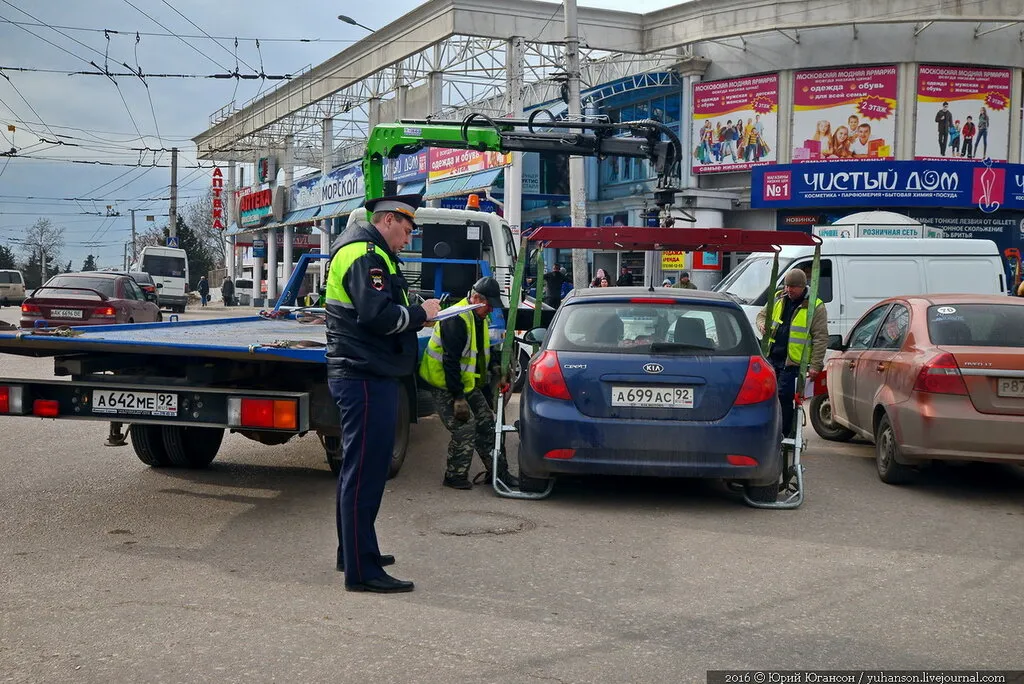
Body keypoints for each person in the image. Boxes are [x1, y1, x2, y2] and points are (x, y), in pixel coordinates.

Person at [325, 193, 441, 594]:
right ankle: (363, 570)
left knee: (358, 469)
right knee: (366, 472)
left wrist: (413, 313)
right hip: (365, 374)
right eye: (406, 230)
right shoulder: (364, 254)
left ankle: (354, 551)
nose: (407, 239)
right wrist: (420, 315)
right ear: (388, 219)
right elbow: (377, 316)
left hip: (365, 372)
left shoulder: (370, 251)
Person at [419, 276, 518, 490]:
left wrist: (495, 368)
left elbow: (484, 350)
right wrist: (458, 398)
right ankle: (454, 476)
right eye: (488, 306)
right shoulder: (456, 319)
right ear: (475, 299)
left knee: (488, 424)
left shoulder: (479, 318)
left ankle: (499, 474)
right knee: (465, 427)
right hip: (445, 384)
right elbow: (451, 363)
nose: (491, 311)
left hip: (466, 384)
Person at [755, 269, 828, 438]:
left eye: (793, 287)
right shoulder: (779, 297)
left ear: (803, 287)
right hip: (773, 358)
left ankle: (784, 434)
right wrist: (761, 325)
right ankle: (772, 431)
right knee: (769, 396)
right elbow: (761, 315)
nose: (788, 290)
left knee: (784, 397)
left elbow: (820, 338)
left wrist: (816, 365)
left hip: (793, 362)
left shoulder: (815, 306)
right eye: (787, 286)